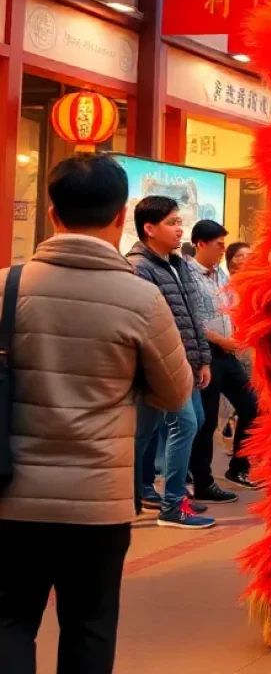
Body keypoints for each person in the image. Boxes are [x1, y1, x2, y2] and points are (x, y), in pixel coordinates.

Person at [0, 155, 192, 674]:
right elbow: (176, 394)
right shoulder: (142, 298)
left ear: (51, 211)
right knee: (89, 624)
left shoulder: (4, 287)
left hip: (10, 498)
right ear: (120, 214)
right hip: (97, 503)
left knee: (9, 623)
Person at [128, 197, 215, 530]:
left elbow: (193, 317)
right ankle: (172, 503)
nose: (180, 229)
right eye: (172, 222)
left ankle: (135, 493)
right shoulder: (138, 267)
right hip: (159, 365)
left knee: (147, 431)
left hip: (185, 363)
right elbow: (147, 324)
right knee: (186, 424)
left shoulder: (177, 264)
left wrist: (202, 359)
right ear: (149, 228)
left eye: (180, 221)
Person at [187, 220, 259, 500]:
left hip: (229, 353)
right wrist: (221, 340)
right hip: (205, 355)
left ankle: (238, 467)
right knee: (206, 420)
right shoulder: (188, 275)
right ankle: (202, 481)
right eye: (218, 245)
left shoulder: (220, 275)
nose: (222, 251)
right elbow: (190, 320)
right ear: (201, 244)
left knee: (251, 406)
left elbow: (232, 308)